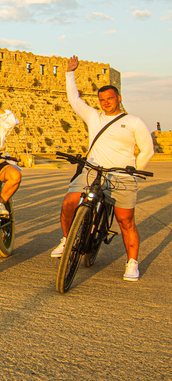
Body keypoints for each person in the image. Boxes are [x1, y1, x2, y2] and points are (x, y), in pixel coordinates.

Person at [51, 56, 154, 282]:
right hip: (92, 171)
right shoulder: (93, 117)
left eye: (110, 98)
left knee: (125, 221)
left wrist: (134, 169)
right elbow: (73, 99)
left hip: (120, 175)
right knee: (69, 202)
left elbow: (147, 148)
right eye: (102, 99)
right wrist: (70, 73)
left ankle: (132, 263)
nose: (106, 102)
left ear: (118, 98)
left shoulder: (134, 121)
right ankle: (68, 240)